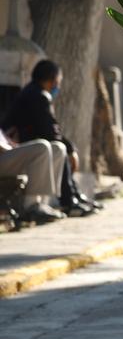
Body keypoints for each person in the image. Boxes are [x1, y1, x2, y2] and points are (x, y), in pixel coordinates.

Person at [2, 59, 98, 217]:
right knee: (44, 146)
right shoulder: (37, 96)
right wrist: (71, 149)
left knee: (57, 147)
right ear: (52, 80)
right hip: (5, 153)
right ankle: (35, 205)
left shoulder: (34, 93)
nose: (58, 86)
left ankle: (55, 201)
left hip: (11, 150)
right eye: (58, 81)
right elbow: (50, 132)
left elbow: (51, 132)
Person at [0, 129, 66, 224]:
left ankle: (45, 204)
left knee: (57, 148)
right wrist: (9, 148)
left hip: (7, 150)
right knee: (41, 147)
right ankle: (31, 206)